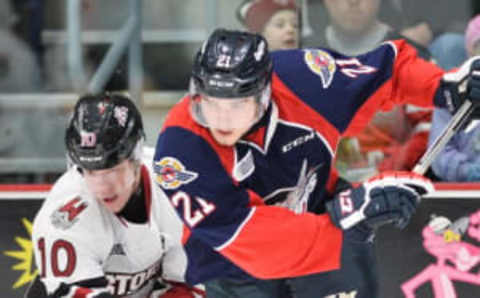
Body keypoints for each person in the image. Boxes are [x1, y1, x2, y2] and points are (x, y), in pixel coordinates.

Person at [152, 28, 480, 297]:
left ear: (264, 94)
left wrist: (446, 87)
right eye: (210, 104)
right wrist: (348, 214)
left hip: (320, 215)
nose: (221, 120)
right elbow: (246, 236)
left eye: (236, 105)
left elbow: (386, 74)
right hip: (235, 266)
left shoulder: (307, 78)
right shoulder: (180, 149)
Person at [27, 93, 205, 297]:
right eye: (91, 171)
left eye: (112, 169)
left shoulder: (177, 188)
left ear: (136, 155)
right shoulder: (62, 220)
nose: (102, 186)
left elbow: (189, 286)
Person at [303, 0, 433, 179]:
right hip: (318, 193)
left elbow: (430, 129)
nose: (353, 2)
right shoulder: (302, 55)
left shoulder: (411, 55)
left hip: (393, 187)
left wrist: (391, 173)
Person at [429, 15, 480, 182]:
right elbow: (438, 153)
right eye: (479, 44)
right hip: (462, 196)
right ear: (470, 50)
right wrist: (468, 171)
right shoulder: (452, 92)